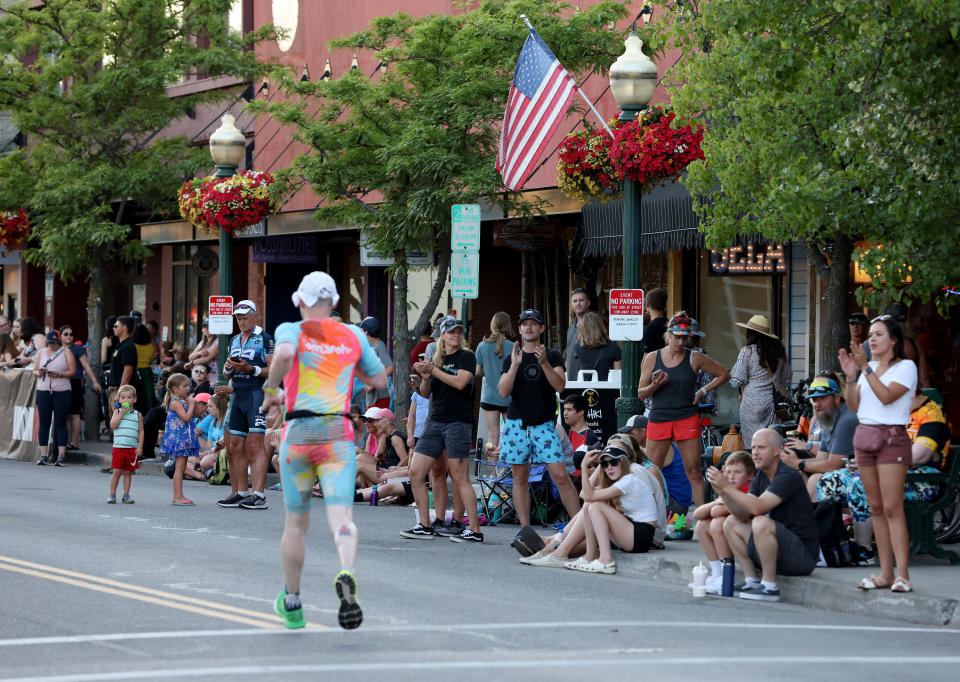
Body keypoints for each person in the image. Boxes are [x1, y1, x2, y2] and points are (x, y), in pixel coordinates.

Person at [260, 270, 387, 630]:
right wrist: (351, 368)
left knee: (296, 523)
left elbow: (284, 354)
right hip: (337, 432)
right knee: (341, 518)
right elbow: (379, 379)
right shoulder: (352, 334)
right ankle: (346, 570)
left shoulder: (292, 330)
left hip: (299, 433)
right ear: (333, 303)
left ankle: (293, 602)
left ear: (301, 301)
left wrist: (272, 391)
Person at [838, 315, 918, 593]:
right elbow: (853, 405)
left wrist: (863, 369)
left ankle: (903, 575)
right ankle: (885, 573)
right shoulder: (868, 366)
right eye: (871, 334)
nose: (871, 339)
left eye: (879, 334)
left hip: (891, 439)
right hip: (865, 437)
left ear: (894, 340)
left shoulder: (906, 367)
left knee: (893, 507)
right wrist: (851, 378)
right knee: (876, 507)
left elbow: (886, 397)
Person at [707, 428, 819, 602]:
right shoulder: (760, 475)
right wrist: (724, 493)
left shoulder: (787, 475)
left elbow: (757, 508)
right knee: (731, 522)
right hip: (777, 548)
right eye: (753, 447)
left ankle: (769, 586)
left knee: (761, 521)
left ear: (777, 450)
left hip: (802, 556)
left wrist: (728, 487)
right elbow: (743, 514)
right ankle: (751, 580)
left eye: (761, 447)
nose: (755, 453)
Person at [402, 317, 483, 542]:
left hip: (458, 422)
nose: (456, 335)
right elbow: (427, 393)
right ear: (442, 335)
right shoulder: (437, 358)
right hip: (434, 420)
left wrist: (433, 370)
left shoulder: (467, 356)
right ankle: (424, 524)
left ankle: (474, 530)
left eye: (459, 331)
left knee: (460, 477)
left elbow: (460, 382)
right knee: (416, 472)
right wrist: (426, 378)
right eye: (451, 332)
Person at [497, 309, 580, 527]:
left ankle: (581, 525)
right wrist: (515, 364)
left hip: (544, 425)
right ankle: (525, 529)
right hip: (517, 424)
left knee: (560, 475)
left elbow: (560, 386)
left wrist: (543, 363)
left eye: (534, 324)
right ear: (520, 328)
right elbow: (503, 392)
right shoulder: (511, 357)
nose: (529, 327)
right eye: (525, 324)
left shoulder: (551, 355)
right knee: (520, 478)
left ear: (542, 328)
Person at [637, 312, 730, 506]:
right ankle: (651, 517)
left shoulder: (694, 357)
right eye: (677, 336)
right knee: (653, 470)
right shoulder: (653, 357)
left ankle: (702, 519)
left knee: (694, 471)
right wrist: (655, 385)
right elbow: (641, 394)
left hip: (686, 417)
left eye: (684, 337)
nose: (680, 341)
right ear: (669, 334)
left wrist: (703, 390)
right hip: (659, 417)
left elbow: (723, 374)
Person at [218, 300, 274, 510]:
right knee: (234, 445)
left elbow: (274, 369)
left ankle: (258, 494)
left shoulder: (265, 338)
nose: (241, 322)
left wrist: (252, 369)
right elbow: (226, 372)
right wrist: (229, 368)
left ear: (254, 316)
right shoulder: (233, 340)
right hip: (238, 393)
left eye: (245, 318)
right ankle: (241, 491)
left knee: (255, 444)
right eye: (238, 318)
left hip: (256, 393)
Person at [574, 445, 660, 573]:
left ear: (623, 463)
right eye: (604, 464)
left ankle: (606, 559)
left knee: (596, 505)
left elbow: (588, 495)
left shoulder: (628, 481)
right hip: (634, 533)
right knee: (589, 505)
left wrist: (583, 467)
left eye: (613, 462)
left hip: (642, 536)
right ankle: (590, 556)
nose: (609, 467)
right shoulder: (620, 482)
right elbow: (583, 495)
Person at [779, 376, 858, 498]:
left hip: (866, 473)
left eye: (823, 398)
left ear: (837, 398)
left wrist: (798, 463)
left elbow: (834, 464)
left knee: (818, 481)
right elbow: (821, 458)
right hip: (845, 470)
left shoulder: (845, 419)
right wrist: (791, 462)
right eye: (814, 400)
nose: (817, 404)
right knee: (793, 472)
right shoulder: (828, 417)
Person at [692, 451, 756, 593]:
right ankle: (718, 573)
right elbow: (697, 514)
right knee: (702, 526)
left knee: (717, 522)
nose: (732, 476)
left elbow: (716, 512)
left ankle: (727, 575)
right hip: (733, 540)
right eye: (729, 472)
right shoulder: (730, 490)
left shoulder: (746, 490)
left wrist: (721, 497)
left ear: (750, 476)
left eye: (737, 472)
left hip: (748, 542)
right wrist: (720, 500)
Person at [730, 314, 791, 448]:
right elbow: (787, 379)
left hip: (751, 405)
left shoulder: (748, 351)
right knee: (771, 443)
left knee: (753, 445)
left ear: (750, 333)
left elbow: (736, 380)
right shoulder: (780, 353)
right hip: (773, 404)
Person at [34, 330, 77, 466]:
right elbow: (34, 371)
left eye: (55, 343)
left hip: (61, 390)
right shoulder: (41, 352)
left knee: (60, 422)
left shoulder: (66, 352)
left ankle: (61, 455)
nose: (52, 345)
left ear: (59, 342)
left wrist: (59, 374)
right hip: (44, 389)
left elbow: (73, 371)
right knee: (44, 423)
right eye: (50, 343)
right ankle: (43, 455)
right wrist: (39, 373)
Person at [474, 311, 514, 454]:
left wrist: (490, 370)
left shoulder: (482, 346)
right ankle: (509, 471)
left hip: (489, 396)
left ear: (492, 325)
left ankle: (493, 473)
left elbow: (477, 372)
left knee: (492, 437)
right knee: (511, 437)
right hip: (509, 397)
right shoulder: (513, 347)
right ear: (508, 326)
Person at [58, 325, 102, 449]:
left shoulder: (77, 349)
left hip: (74, 382)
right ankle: (65, 441)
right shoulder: (58, 349)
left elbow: (86, 366)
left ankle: (75, 442)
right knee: (65, 414)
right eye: (65, 334)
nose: (69, 336)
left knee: (75, 413)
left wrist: (95, 381)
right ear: (60, 336)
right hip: (60, 382)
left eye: (71, 334)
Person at [160, 373, 200, 505]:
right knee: (180, 468)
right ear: (175, 388)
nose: (188, 388)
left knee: (181, 467)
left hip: (185, 439)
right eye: (185, 386)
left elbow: (194, 415)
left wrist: (192, 404)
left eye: (188, 385)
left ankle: (179, 495)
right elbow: (186, 418)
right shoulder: (176, 402)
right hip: (179, 440)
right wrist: (192, 403)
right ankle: (177, 496)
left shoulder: (184, 400)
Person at [107, 384, 142, 504]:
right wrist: (121, 414)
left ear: (135, 399)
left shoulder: (137, 415)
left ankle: (126, 494)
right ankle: (112, 494)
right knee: (116, 471)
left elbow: (141, 431)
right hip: (119, 447)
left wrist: (140, 446)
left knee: (128, 472)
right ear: (119, 400)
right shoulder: (117, 412)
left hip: (131, 448)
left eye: (129, 397)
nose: (126, 400)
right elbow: (112, 426)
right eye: (123, 398)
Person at [569, 312, 622, 381]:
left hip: (586, 388)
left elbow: (575, 371)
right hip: (607, 388)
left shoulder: (578, 347)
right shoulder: (613, 346)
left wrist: (580, 332)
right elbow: (617, 375)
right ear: (600, 325)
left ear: (583, 328)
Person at [359, 316, 394, 409]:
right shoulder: (372, 347)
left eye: (362, 331)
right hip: (372, 398)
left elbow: (390, 367)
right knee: (369, 423)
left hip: (379, 398)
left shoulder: (379, 345)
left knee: (375, 423)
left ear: (366, 332)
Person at [562, 395, 600, 469]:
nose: (565, 413)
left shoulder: (589, 436)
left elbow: (591, 467)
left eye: (569, 410)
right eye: (564, 409)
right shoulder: (565, 432)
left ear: (581, 412)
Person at [107, 316, 137, 409]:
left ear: (125, 328)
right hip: (115, 390)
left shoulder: (128, 346)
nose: (113, 328)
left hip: (122, 392)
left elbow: (128, 372)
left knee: (122, 421)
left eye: (116, 326)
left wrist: (120, 394)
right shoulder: (121, 345)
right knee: (115, 421)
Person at [565, 287, 592, 380]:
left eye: (581, 300)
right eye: (575, 301)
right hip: (571, 377)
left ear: (588, 302)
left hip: (589, 379)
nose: (578, 303)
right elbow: (568, 351)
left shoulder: (594, 325)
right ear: (571, 304)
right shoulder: (571, 326)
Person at [132, 323, 156, 414]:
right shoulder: (150, 345)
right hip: (147, 371)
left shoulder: (133, 345)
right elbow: (155, 354)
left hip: (135, 371)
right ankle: (149, 414)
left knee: (136, 393)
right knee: (148, 394)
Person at [186, 319, 219, 384]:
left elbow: (206, 359)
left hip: (211, 379)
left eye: (209, 327)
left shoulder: (217, 342)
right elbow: (190, 357)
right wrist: (199, 353)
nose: (207, 329)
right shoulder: (202, 342)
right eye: (205, 327)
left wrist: (192, 363)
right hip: (198, 380)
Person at [406, 374, 430, 451]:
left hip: (432, 434)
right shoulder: (416, 394)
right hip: (418, 434)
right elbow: (411, 416)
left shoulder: (436, 392)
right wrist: (410, 435)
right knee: (413, 461)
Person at [642, 288, 668, 355]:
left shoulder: (650, 329)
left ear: (647, 304)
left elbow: (647, 357)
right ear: (665, 305)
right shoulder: (671, 325)